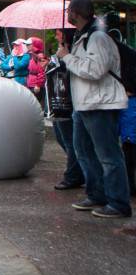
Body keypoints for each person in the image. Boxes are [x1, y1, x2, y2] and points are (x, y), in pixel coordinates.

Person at [57, 0, 131, 218]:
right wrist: (66, 53)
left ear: (77, 13)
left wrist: (68, 57)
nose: (68, 14)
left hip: (100, 104)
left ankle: (118, 203)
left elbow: (95, 71)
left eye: (70, 10)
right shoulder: (83, 37)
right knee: (83, 150)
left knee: (108, 154)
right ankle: (97, 194)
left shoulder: (97, 38)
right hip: (85, 104)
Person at [47, 28, 83, 191]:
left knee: (70, 141)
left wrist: (65, 58)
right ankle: (77, 170)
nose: (56, 35)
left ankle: (73, 174)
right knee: (63, 139)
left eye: (58, 32)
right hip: (58, 101)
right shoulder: (61, 51)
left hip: (68, 102)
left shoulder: (73, 50)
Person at [26, 37, 48, 108]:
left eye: (29, 44)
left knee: (35, 106)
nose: (27, 46)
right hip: (31, 84)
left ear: (34, 45)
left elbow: (41, 72)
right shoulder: (32, 55)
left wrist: (38, 85)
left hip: (36, 86)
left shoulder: (40, 56)